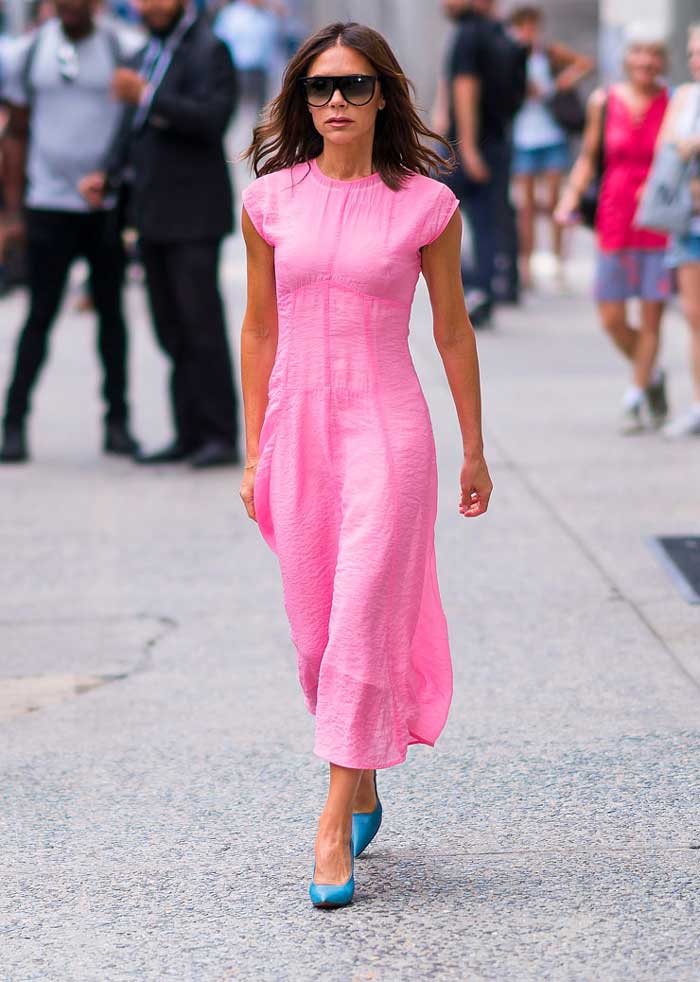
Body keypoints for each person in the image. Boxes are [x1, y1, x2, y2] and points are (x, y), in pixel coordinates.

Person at [239, 21, 493, 909]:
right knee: (316, 635)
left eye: (353, 86)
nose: (336, 102)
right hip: (299, 430)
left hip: (389, 430)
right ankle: (365, 779)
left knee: (360, 621)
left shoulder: (426, 205)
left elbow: (452, 329)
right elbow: (260, 327)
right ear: (300, 101)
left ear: (383, 93)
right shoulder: (271, 200)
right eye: (320, 88)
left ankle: (329, 823)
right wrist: (252, 446)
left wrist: (474, 445)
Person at [83, 0, 241, 467]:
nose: (149, 6)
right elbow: (129, 130)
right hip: (150, 214)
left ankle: (219, 435)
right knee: (169, 328)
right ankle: (188, 433)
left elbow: (213, 120)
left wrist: (148, 96)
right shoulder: (144, 53)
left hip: (193, 215)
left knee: (201, 326)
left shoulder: (210, 50)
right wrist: (107, 175)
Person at [0, 0, 139, 463]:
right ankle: (13, 423)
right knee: (39, 315)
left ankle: (117, 423)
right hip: (47, 205)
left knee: (112, 318)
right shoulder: (28, 52)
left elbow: (136, 122)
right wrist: (14, 212)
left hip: (104, 205)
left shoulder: (121, 46)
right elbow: (15, 134)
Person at [555, 31, 671, 435]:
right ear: (626, 58)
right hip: (615, 216)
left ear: (664, 62)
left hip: (659, 221)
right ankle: (653, 374)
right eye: (639, 52)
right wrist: (569, 195)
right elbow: (589, 156)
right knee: (611, 316)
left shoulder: (673, 104)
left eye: (654, 54)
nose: (646, 61)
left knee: (652, 314)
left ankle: (635, 396)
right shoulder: (603, 102)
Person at [440, 0, 526, 327]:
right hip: (498, 141)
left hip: (471, 144)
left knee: (427, 215)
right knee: (488, 220)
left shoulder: (469, 34)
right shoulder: (503, 34)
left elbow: (465, 87)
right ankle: (485, 292)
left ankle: (476, 286)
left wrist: (468, 146)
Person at [508, 5, 593, 290]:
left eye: (532, 27)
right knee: (526, 206)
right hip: (522, 135)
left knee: (557, 200)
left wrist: (561, 83)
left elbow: (584, 63)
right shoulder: (509, 55)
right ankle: (526, 264)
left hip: (551, 133)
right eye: (523, 27)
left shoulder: (547, 53)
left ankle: (559, 261)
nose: (528, 33)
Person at [654, 23, 700, 438]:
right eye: (691, 52)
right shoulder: (684, 97)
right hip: (689, 221)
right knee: (694, 315)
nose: (694, 60)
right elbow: (666, 148)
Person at [214, 0, 280, 115]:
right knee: (238, 111)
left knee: (260, 112)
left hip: (259, 72)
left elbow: (271, 47)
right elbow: (219, 42)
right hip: (236, 70)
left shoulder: (268, 16)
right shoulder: (231, 14)